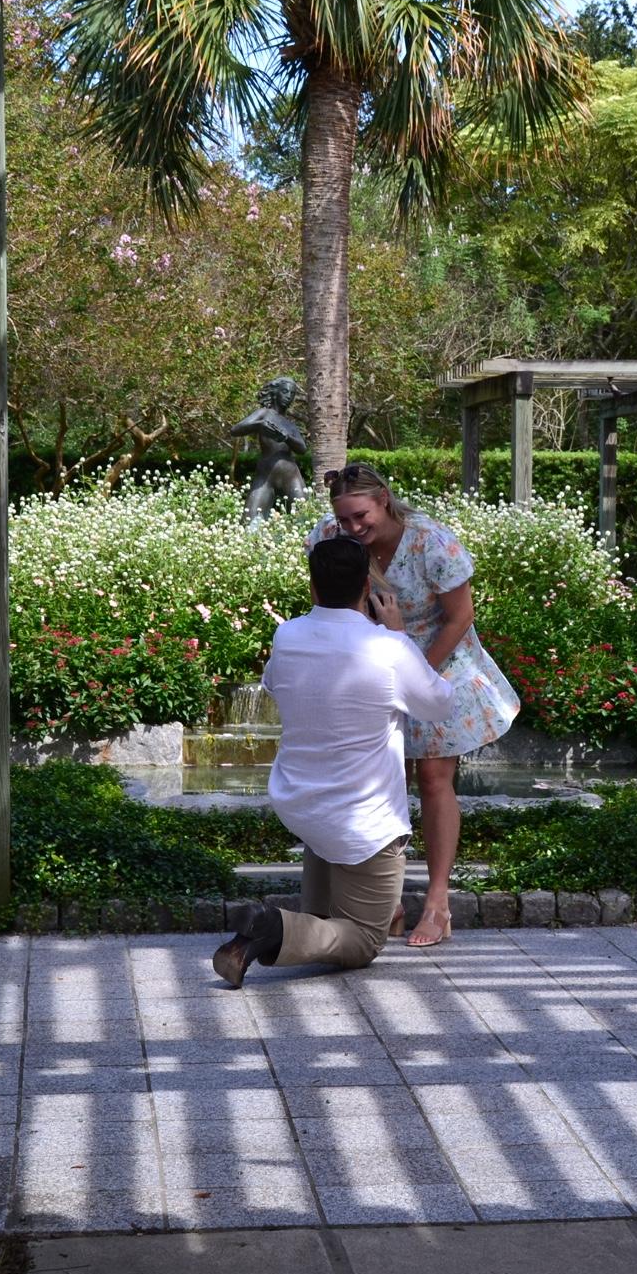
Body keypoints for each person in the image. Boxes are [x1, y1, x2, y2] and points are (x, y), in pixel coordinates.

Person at [211, 536, 454, 988]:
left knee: (323, 921)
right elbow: (439, 704)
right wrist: (399, 634)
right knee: (362, 941)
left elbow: (272, 684)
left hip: (302, 805)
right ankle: (271, 925)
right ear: (367, 587)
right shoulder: (389, 648)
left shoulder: (287, 635)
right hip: (364, 822)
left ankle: (264, 935)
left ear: (313, 586)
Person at [307, 463, 520, 947]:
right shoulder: (329, 537)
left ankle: (438, 904)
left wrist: (415, 671)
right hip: (371, 661)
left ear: (383, 499)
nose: (352, 528)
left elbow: (460, 616)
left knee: (433, 777)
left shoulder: (431, 542)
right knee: (383, 778)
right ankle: (388, 902)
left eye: (361, 516)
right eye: (344, 519)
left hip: (439, 658)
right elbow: (324, 599)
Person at [229, 376, 308, 523]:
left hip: (290, 474)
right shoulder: (264, 413)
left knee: (303, 517)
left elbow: (302, 449)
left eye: (292, 393)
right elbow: (235, 430)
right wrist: (259, 424)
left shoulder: (290, 424)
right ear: (275, 392)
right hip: (265, 475)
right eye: (285, 391)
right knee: (249, 521)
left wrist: (286, 438)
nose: (288, 396)